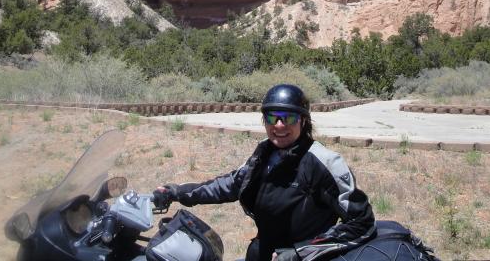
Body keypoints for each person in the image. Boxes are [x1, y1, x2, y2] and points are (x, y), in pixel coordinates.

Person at [155, 84, 375, 261]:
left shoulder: (325, 163)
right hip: (261, 251)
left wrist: (301, 252)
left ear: (303, 119)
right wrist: (177, 192)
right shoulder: (265, 153)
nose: (278, 125)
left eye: (287, 117)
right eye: (271, 117)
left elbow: (362, 222)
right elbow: (230, 185)